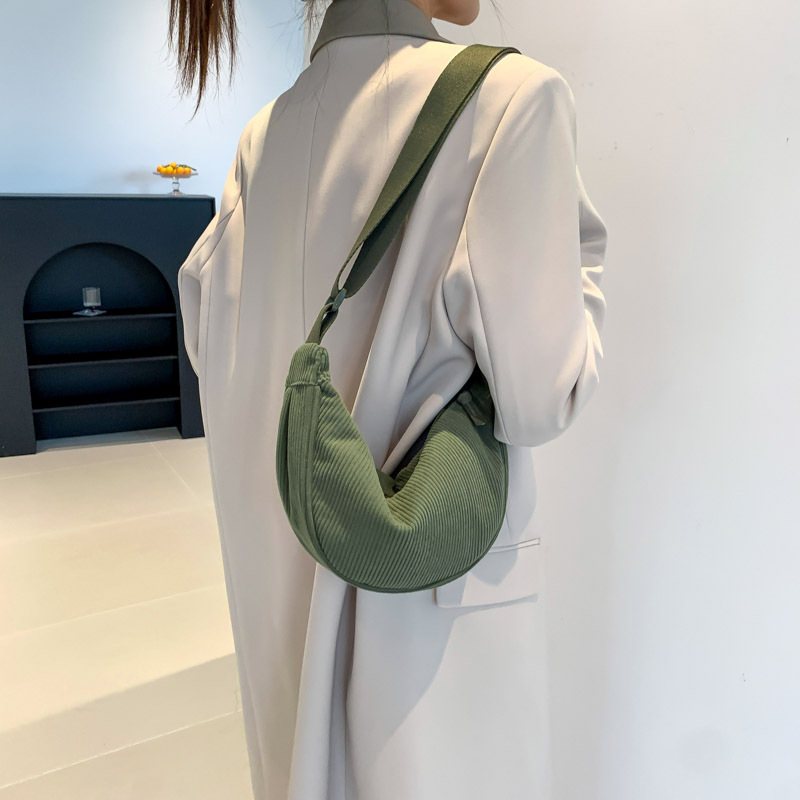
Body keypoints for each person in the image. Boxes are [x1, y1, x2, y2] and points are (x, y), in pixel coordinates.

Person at [172, 0, 608, 797]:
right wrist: (582, 268)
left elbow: (220, 362)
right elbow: (543, 397)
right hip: (428, 637)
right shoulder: (512, 101)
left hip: (280, 603)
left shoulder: (258, 143)